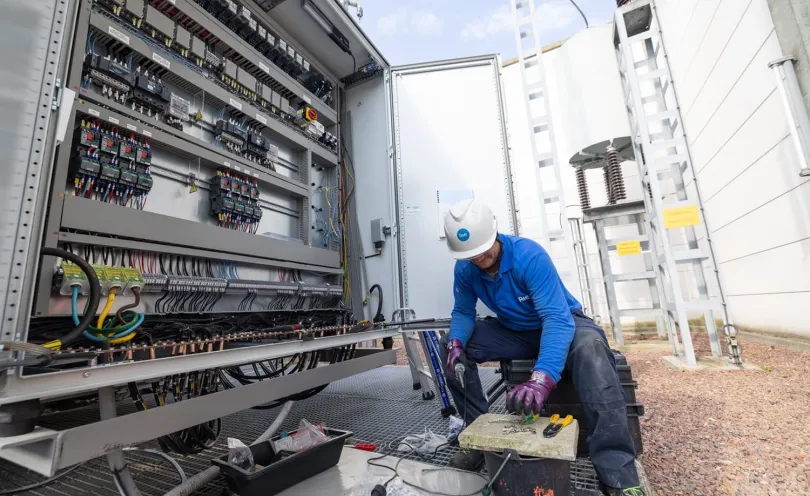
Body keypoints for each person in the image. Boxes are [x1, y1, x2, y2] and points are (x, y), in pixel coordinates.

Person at [438, 199, 644, 496]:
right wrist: (457, 340)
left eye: (482, 250)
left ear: (493, 233)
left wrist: (541, 379)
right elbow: (463, 313)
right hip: (516, 331)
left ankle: (617, 472)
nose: (478, 258)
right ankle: (478, 440)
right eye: (470, 255)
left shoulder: (528, 256)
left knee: (592, 352)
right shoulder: (466, 268)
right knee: (449, 346)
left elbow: (556, 319)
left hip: (565, 321)